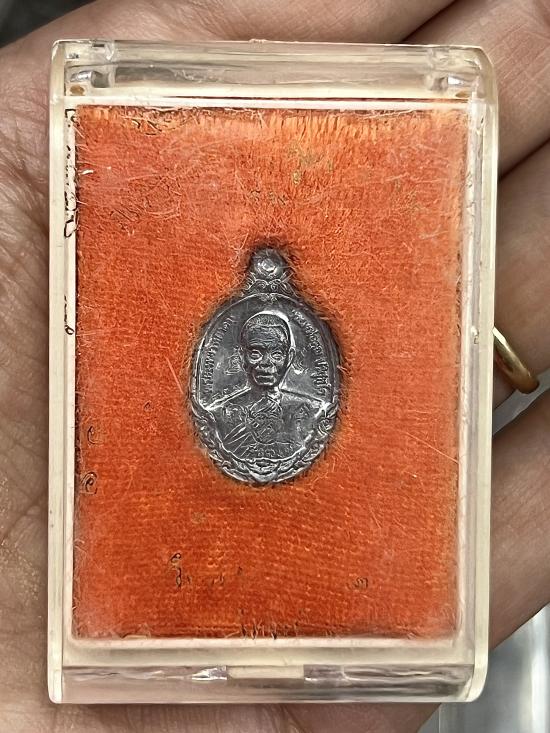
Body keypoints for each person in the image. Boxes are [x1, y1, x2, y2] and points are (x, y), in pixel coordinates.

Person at [0, 1, 549, 732]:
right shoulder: (224, 411)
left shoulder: (307, 410)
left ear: (292, 354)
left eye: (275, 350)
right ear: (243, 351)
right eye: (254, 350)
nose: (263, 360)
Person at [210, 311, 322, 461]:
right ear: (242, 357)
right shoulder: (219, 415)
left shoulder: (312, 411)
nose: (266, 363)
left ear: (289, 358)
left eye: (276, 354)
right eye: (255, 354)